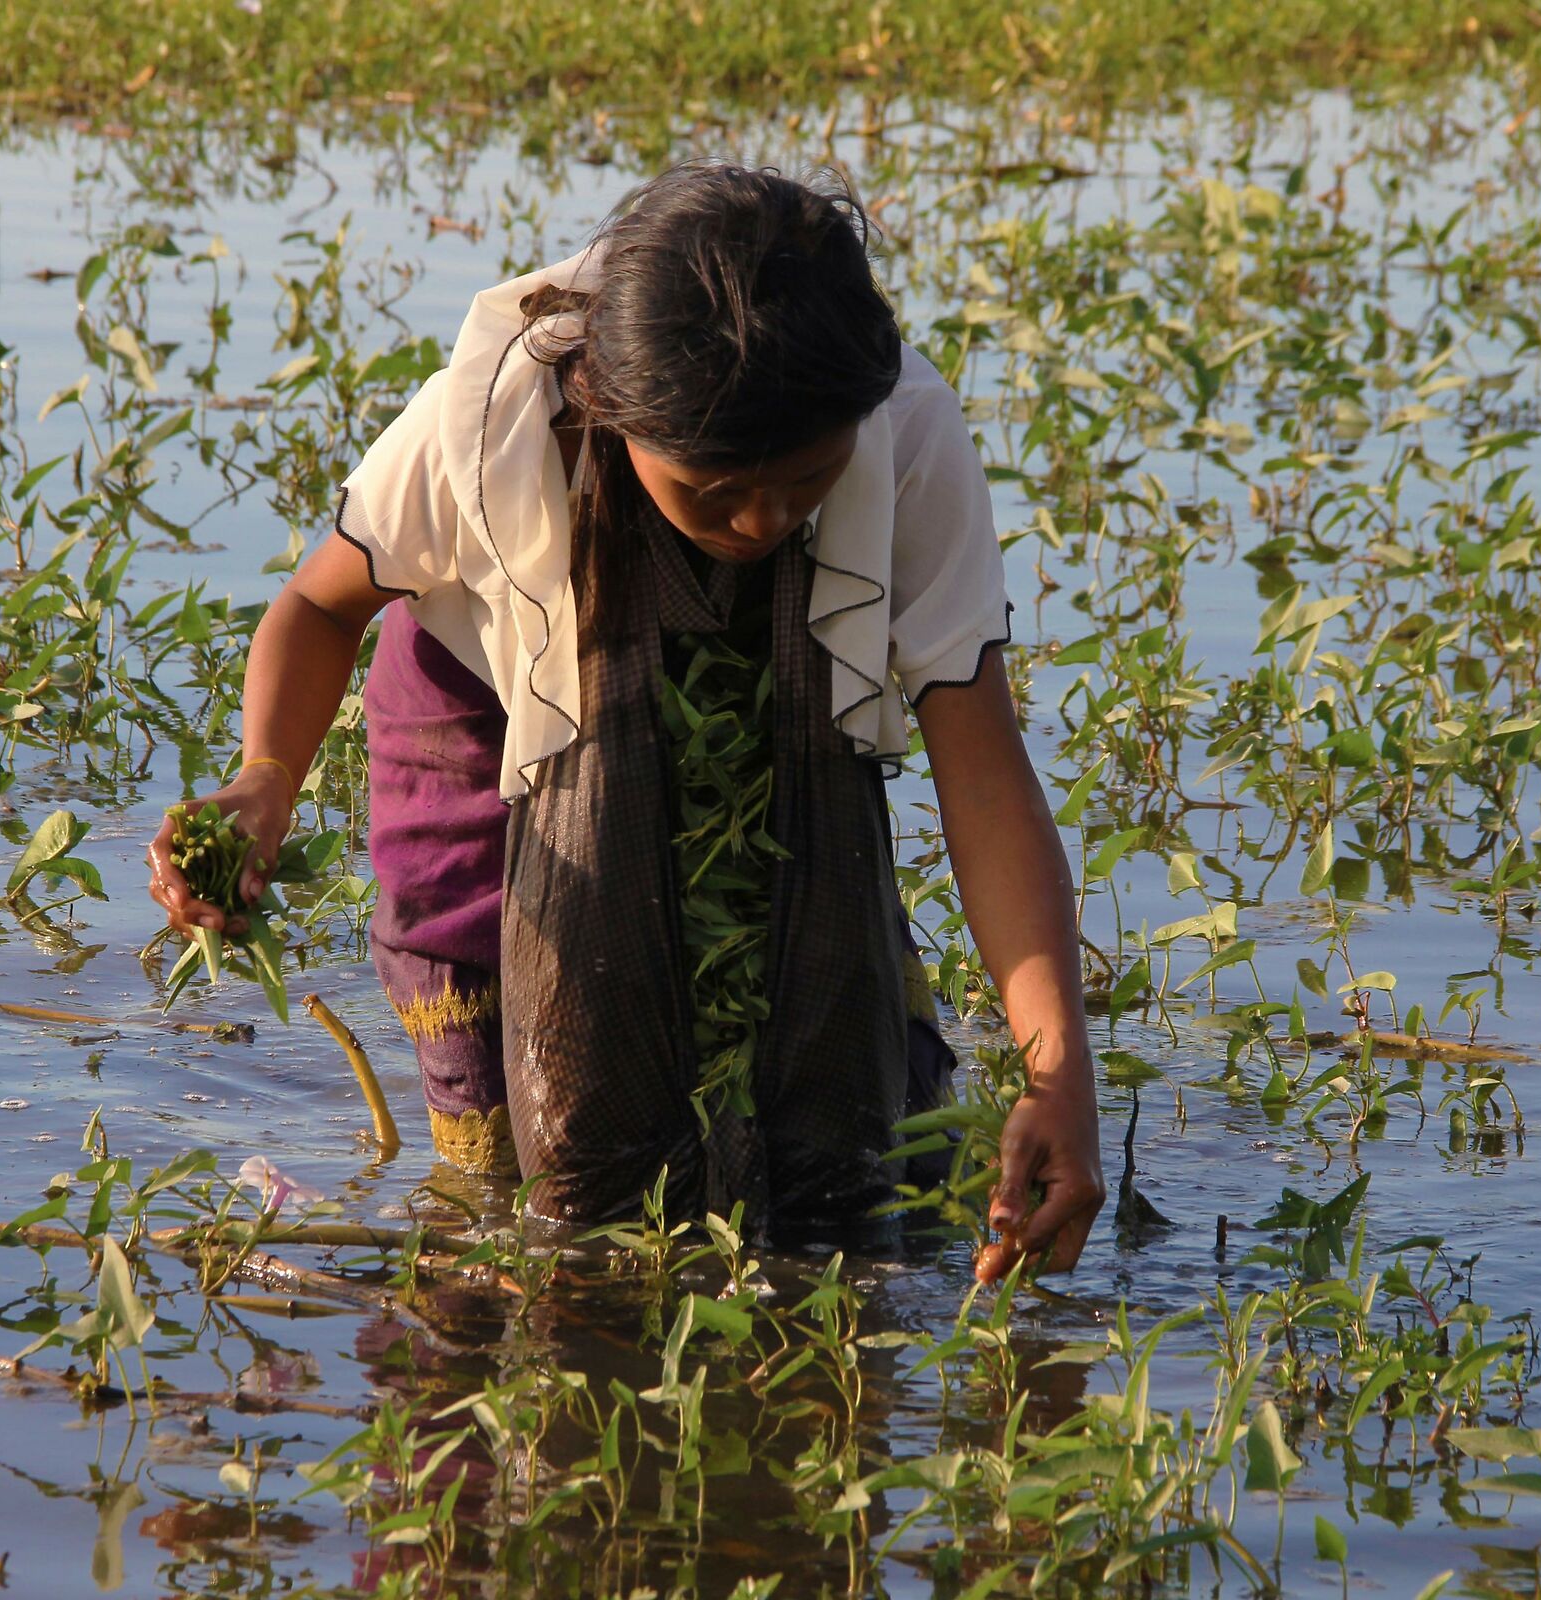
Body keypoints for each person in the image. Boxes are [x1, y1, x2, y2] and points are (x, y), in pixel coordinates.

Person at [149, 163, 1102, 1275]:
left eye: (804, 484)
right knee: (529, 1196)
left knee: (839, 1159)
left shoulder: (905, 433)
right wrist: (265, 775)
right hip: (485, 723)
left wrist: (1058, 1070)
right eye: (713, 490)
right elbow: (317, 606)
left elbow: (982, 772)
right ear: (607, 402)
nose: (759, 521)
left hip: (783, 725)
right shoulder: (496, 416)